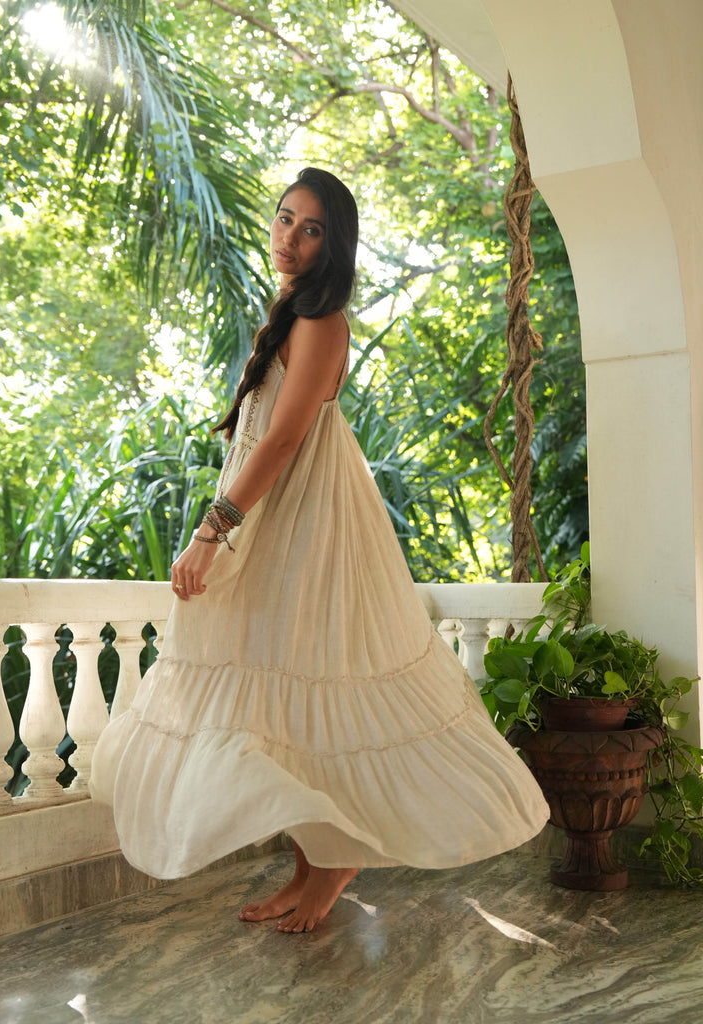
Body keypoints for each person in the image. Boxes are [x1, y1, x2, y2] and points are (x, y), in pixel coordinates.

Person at [90, 167, 549, 934]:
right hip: (275, 525)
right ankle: (311, 869)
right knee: (283, 699)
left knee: (316, 682)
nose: (291, 239)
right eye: (284, 220)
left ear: (335, 245)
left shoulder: (323, 320)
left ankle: (333, 865)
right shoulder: (292, 313)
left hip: (305, 529)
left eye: (311, 229)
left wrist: (213, 530)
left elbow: (286, 439)